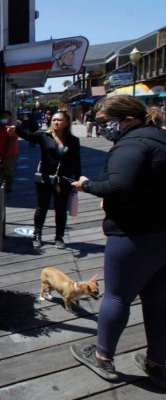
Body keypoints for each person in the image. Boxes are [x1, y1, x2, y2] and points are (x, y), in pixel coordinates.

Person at [69, 95, 166, 389]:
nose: (101, 129)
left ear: (127, 119)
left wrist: (87, 185)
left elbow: (119, 186)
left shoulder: (131, 144)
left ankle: (102, 356)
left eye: (103, 123)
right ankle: (158, 362)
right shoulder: (160, 139)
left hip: (133, 234)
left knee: (116, 297)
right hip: (162, 233)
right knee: (159, 300)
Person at [9, 110, 81, 250]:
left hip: (64, 180)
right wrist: (16, 129)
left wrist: (78, 180)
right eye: (54, 120)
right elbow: (28, 136)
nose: (55, 122)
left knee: (61, 209)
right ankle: (37, 235)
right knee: (42, 208)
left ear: (66, 123)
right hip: (45, 178)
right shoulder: (44, 136)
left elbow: (76, 161)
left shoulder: (73, 140)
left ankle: (59, 237)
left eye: (59, 120)